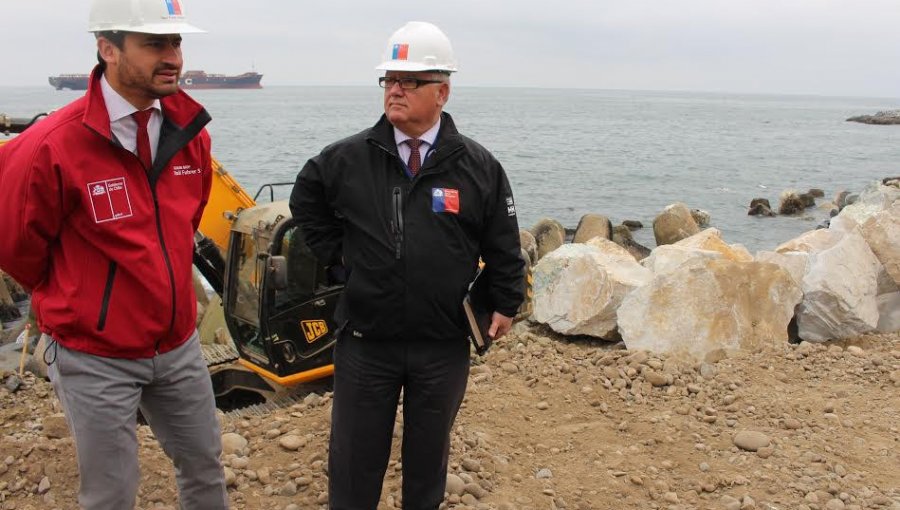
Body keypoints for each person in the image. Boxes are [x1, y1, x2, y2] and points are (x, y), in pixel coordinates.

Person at [0, 0, 227, 508]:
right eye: (154, 44)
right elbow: (15, 246)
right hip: (94, 356)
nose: (172, 56)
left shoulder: (191, 135)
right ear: (107, 49)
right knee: (110, 494)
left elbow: (181, 226)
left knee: (205, 467)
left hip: (177, 347)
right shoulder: (53, 145)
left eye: (176, 43)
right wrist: (81, 301)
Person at [290, 21, 525, 510]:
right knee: (354, 463)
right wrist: (340, 260)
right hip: (365, 342)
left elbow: (503, 241)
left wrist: (505, 300)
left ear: (442, 91)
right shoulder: (347, 158)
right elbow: (305, 199)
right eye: (389, 79)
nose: (395, 89)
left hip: (441, 345)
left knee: (427, 464)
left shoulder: (478, 166)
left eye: (409, 81)